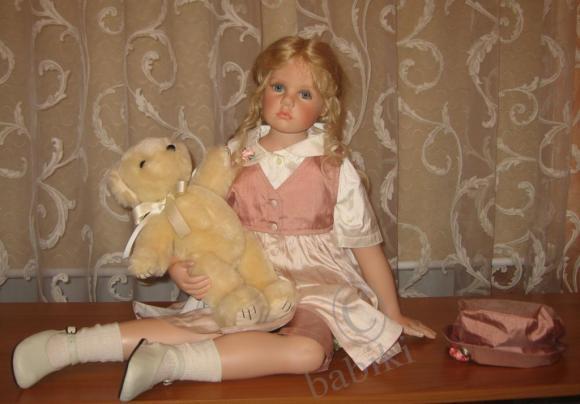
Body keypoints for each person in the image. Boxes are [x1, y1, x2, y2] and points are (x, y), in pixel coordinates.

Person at [12, 35, 435, 401]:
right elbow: (189, 218)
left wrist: (393, 313)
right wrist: (176, 265)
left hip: (316, 285)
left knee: (309, 352)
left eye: (305, 94)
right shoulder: (233, 156)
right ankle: (68, 348)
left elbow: (366, 247)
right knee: (203, 323)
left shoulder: (335, 168)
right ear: (262, 89)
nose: (288, 101)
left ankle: (170, 363)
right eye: (279, 87)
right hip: (242, 275)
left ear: (326, 106)